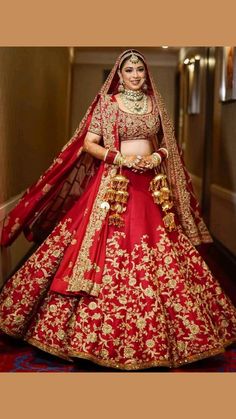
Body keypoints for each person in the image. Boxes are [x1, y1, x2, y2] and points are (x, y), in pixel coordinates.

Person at [0, 49, 236, 371]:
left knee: (162, 246)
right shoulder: (108, 105)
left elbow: (168, 142)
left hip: (150, 186)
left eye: (140, 68)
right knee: (95, 245)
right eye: (129, 69)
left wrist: (157, 157)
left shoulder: (155, 104)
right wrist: (119, 159)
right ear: (119, 74)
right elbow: (89, 143)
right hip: (116, 184)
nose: (136, 74)